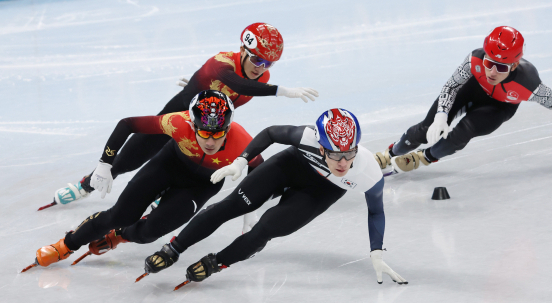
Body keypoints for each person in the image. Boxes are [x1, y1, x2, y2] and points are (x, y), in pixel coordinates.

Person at [49, 22, 319, 207]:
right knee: (129, 160)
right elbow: (237, 84)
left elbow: (234, 95)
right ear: (243, 51)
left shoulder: (261, 75)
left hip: (205, 130)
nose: (262, 69)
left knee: (211, 165)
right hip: (175, 117)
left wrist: (196, 86)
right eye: (258, 60)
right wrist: (282, 91)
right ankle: (87, 184)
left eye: (269, 63)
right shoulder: (222, 62)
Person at [139, 108, 407, 288]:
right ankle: (172, 250)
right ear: (320, 144)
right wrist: (241, 161)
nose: (343, 162)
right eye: (335, 154)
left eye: (349, 154)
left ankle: (217, 262)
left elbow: (376, 211)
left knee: (266, 228)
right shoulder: (307, 137)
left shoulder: (368, 172)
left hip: (320, 192)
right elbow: (269, 133)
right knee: (232, 205)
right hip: (292, 165)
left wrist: (376, 250)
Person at [22, 90, 262, 272]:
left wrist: (250, 211)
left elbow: (260, 172)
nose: (210, 142)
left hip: (201, 185)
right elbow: (127, 124)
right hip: (169, 165)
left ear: (228, 127)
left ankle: (119, 236)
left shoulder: (242, 141)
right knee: (120, 215)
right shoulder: (178, 122)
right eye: (203, 132)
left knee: (149, 233)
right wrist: (105, 164)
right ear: (192, 123)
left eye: (218, 134)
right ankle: (66, 244)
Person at [375, 26, 552, 175]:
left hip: (498, 106)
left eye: (501, 67)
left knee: (462, 132)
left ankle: (420, 159)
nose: (492, 72)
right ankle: (390, 154)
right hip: (470, 90)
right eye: (489, 62)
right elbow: (452, 85)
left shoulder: (529, 84)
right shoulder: (474, 59)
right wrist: (441, 115)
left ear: (515, 65)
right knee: (426, 129)